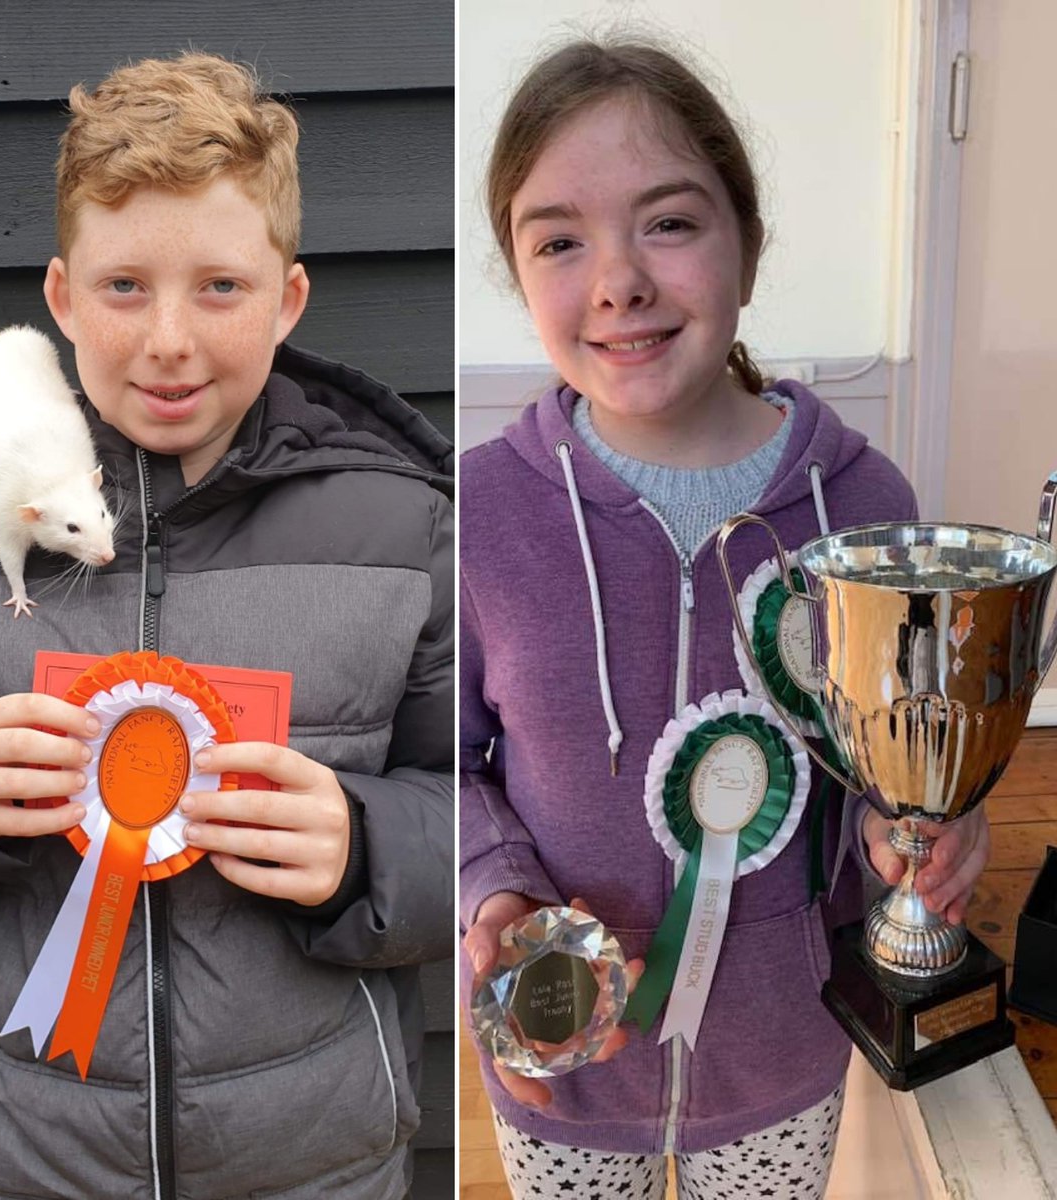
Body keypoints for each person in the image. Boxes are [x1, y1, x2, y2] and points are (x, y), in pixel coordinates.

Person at [0, 52, 453, 1200]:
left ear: (287, 298)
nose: (169, 339)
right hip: (8, 1156)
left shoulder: (405, 531)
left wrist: (370, 846)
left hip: (313, 1159)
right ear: (61, 297)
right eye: (124, 286)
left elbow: (477, 799)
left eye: (221, 287)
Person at [460, 37, 988, 1199]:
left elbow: (896, 762)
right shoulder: (481, 514)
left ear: (747, 242)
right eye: (559, 241)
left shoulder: (867, 507)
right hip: (564, 1066)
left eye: (668, 223)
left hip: (783, 1059)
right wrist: (490, 886)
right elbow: (439, 760)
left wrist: (929, 829)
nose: (618, 283)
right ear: (517, 271)